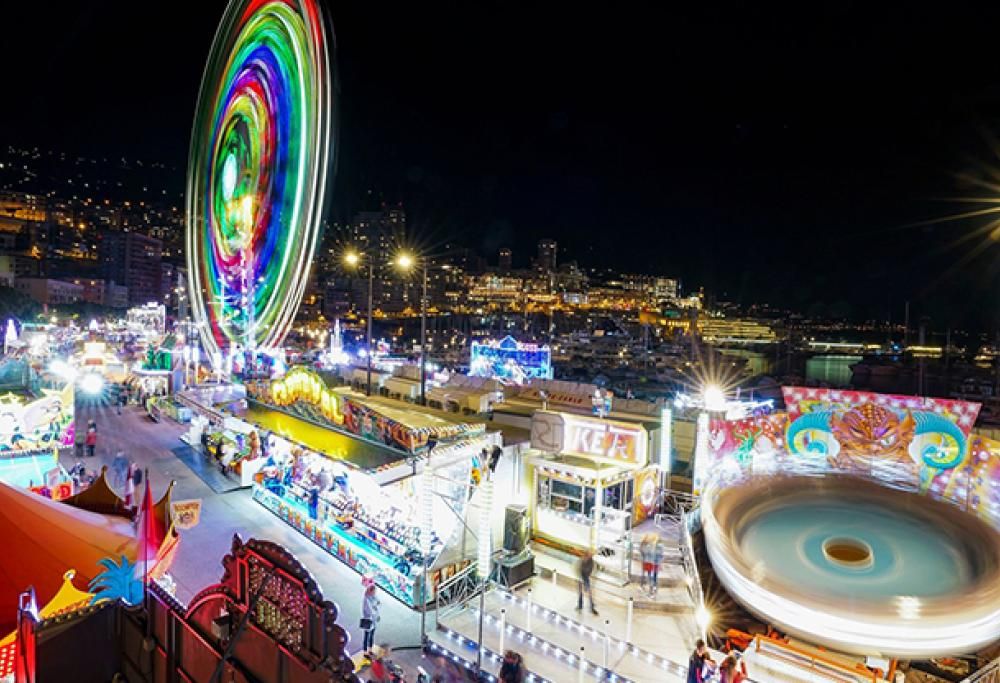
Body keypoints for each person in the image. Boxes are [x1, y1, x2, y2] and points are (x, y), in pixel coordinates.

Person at [361, 582, 380, 656]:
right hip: (368, 620)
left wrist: (376, 606)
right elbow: (370, 611)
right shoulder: (366, 599)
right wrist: (375, 607)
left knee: (371, 635)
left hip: (373, 620)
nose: (375, 593)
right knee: (366, 636)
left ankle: (370, 650)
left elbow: (378, 602)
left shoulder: (373, 596)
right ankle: (365, 652)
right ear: (370, 591)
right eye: (374, 591)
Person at [576, 550, 598, 615]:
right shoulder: (581, 561)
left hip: (586, 577)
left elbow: (591, 570)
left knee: (589, 593)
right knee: (580, 592)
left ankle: (591, 607)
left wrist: (587, 579)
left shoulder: (591, 562)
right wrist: (580, 579)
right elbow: (578, 569)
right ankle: (580, 606)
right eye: (588, 555)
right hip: (581, 576)